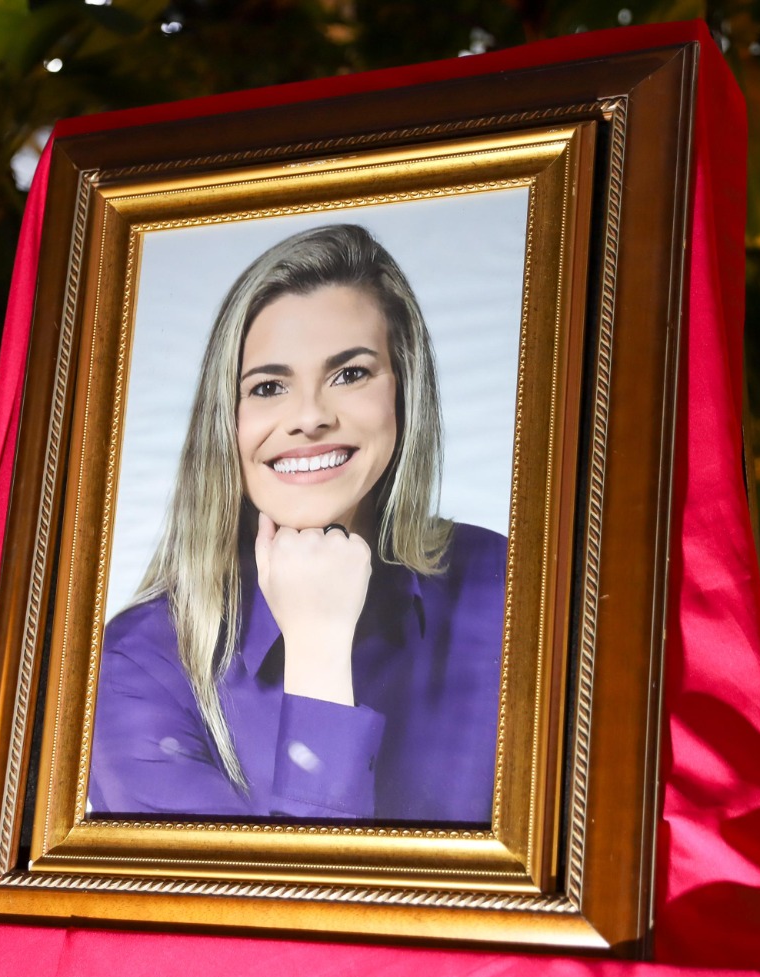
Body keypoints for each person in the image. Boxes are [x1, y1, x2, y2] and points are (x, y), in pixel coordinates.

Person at [88, 223, 506, 824]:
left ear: (404, 392)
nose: (310, 417)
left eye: (350, 374)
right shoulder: (138, 669)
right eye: (268, 386)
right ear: (227, 421)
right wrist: (317, 650)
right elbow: (296, 892)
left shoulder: (505, 585)